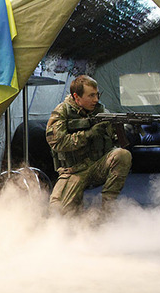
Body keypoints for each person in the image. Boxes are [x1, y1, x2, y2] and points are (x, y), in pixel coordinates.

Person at [46, 75, 132, 215]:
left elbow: (113, 140)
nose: (96, 99)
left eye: (97, 95)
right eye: (91, 95)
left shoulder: (101, 111)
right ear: (76, 96)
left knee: (122, 155)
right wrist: (88, 134)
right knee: (58, 214)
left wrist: (123, 130)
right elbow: (58, 143)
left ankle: (107, 209)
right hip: (73, 171)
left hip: (97, 166)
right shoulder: (62, 112)